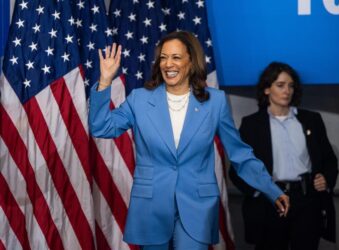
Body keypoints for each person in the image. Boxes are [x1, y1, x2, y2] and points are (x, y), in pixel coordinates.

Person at [89, 31, 289, 250]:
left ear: (191, 61)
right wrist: (105, 81)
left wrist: (271, 189)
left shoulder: (215, 102)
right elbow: (102, 127)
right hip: (152, 204)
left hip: (197, 205)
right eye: (163, 57)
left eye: (176, 57)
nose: (168, 64)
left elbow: (240, 154)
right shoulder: (140, 99)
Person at [229, 62, 339, 250]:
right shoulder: (252, 125)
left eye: (290, 86)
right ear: (266, 89)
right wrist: (259, 191)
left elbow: (329, 160)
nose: (286, 91)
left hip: (307, 202)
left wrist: (326, 179)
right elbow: (237, 170)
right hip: (270, 203)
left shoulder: (311, 120)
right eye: (280, 85)